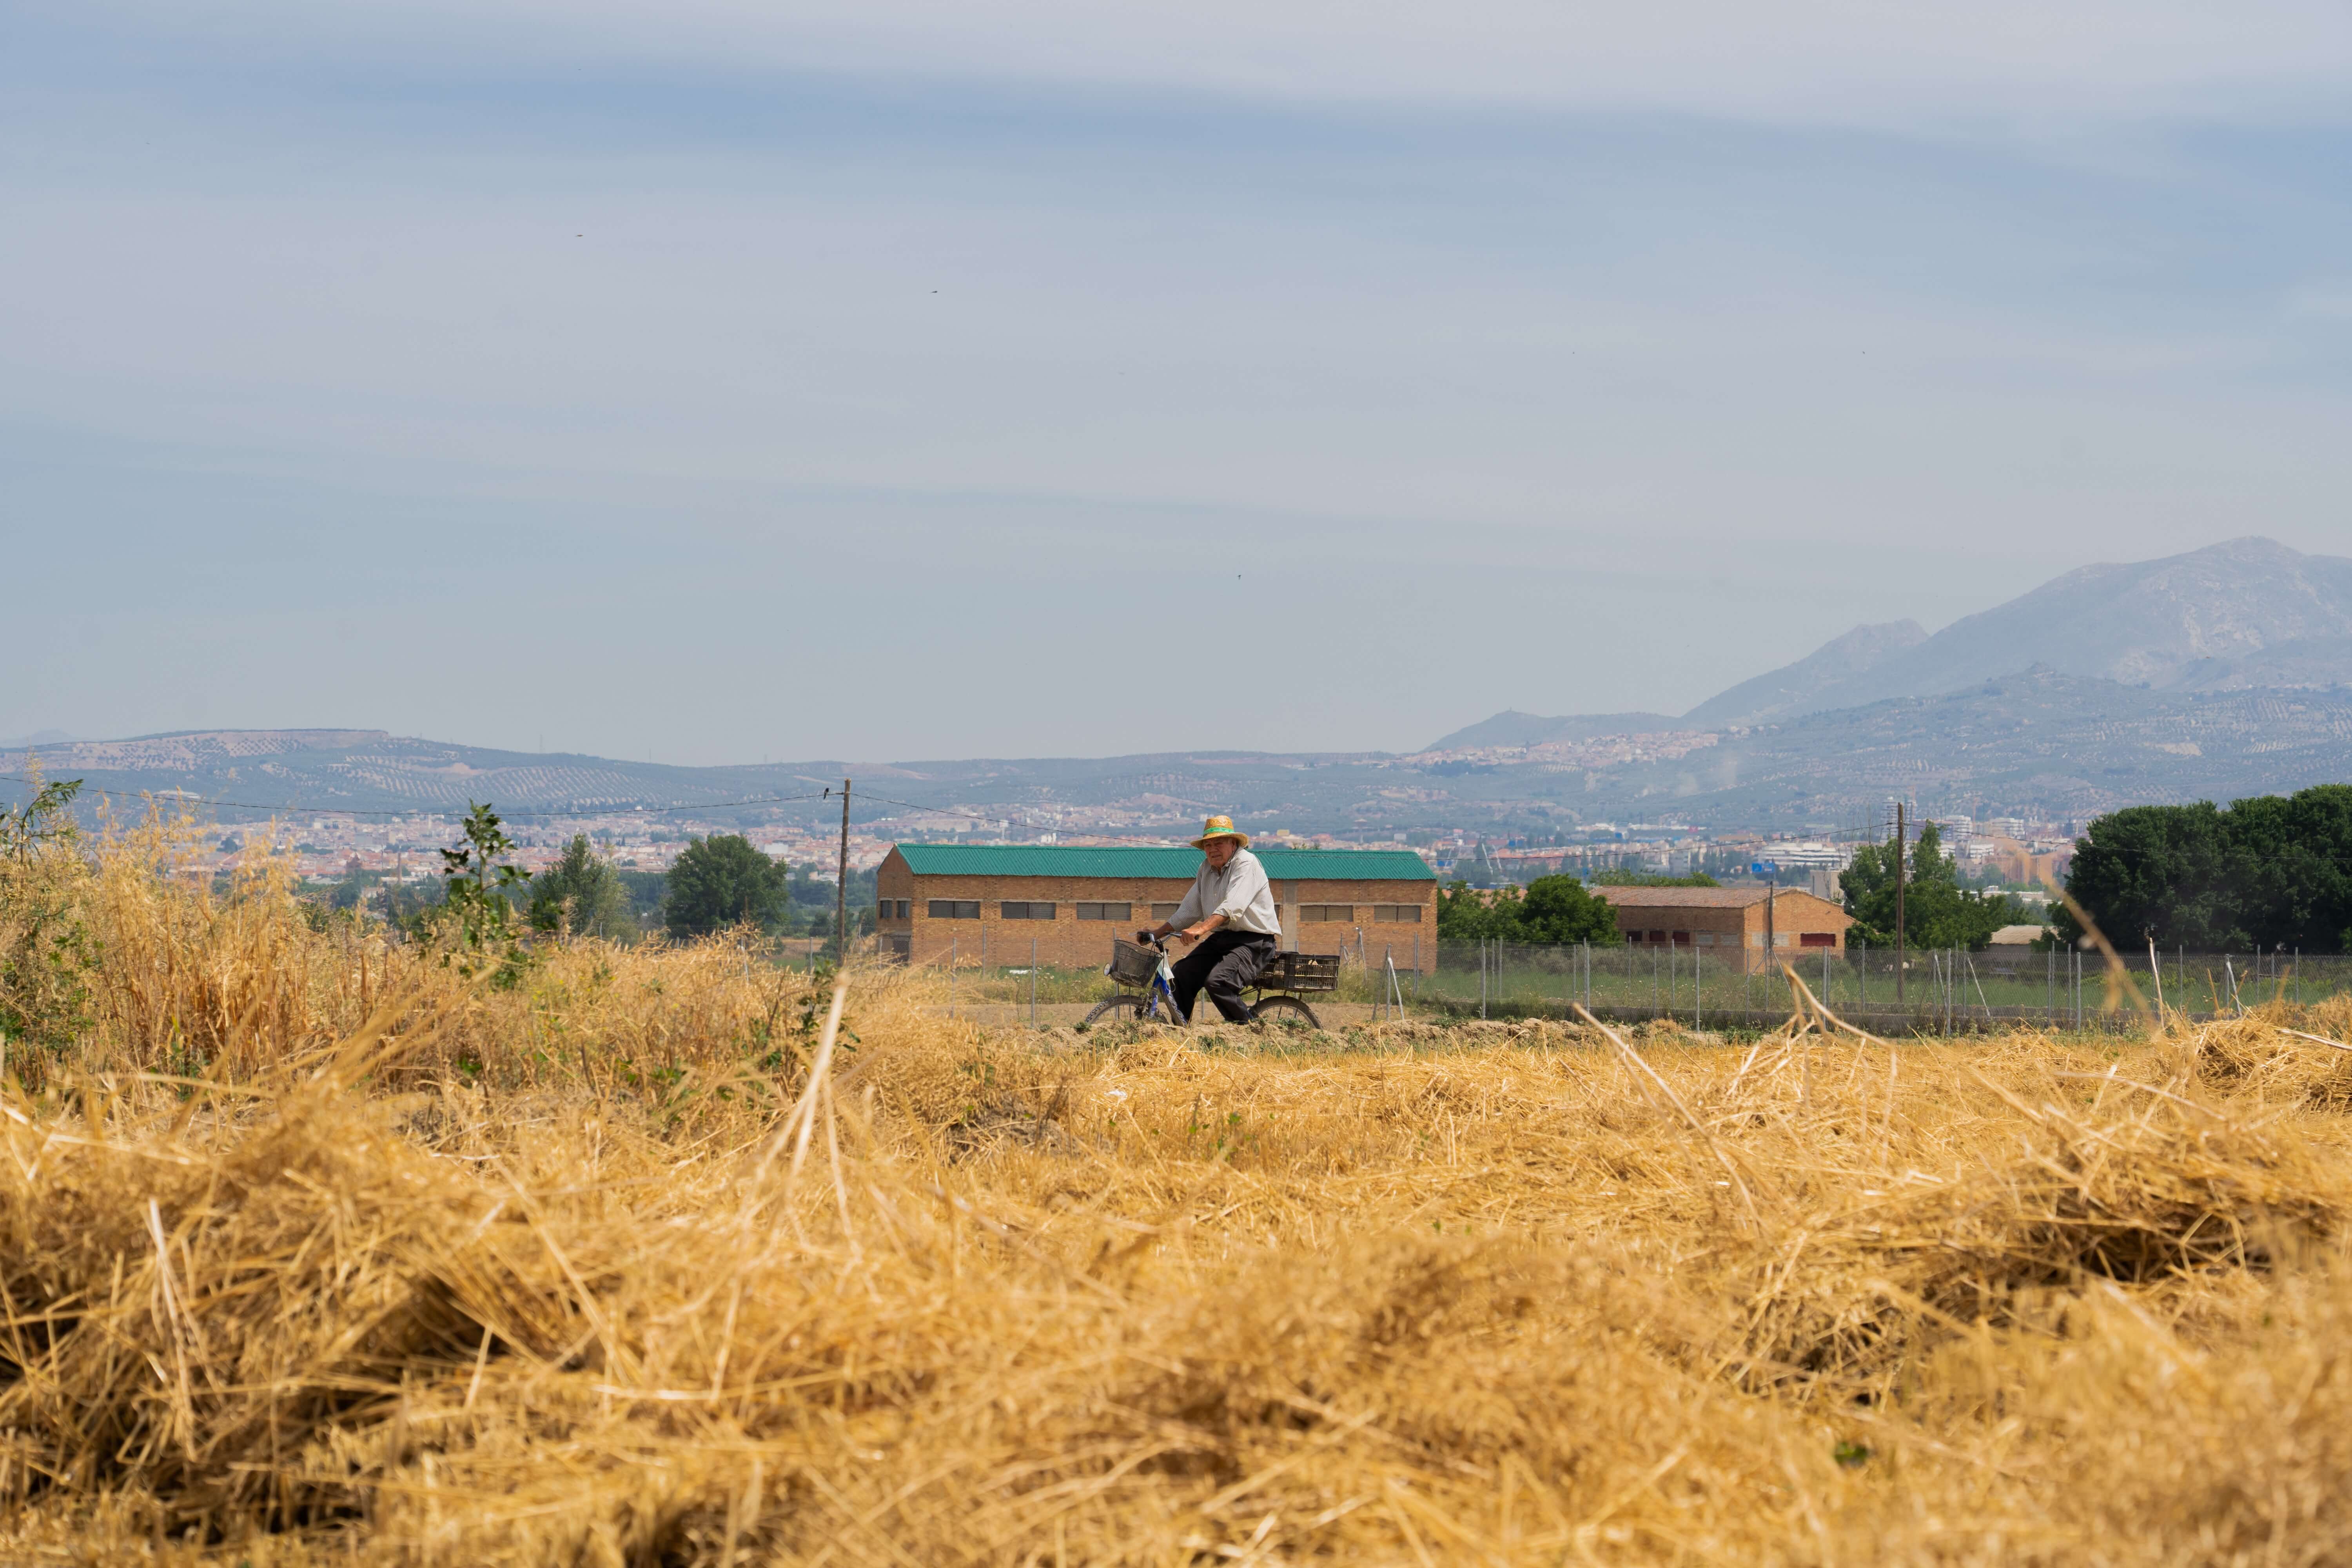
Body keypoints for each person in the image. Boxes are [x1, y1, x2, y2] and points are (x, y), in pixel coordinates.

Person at [1138, 815, 1282, 1024]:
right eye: (1208, 844)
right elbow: (1189, 910)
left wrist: (1201, 930)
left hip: (1254, 941)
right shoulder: (1206, 869)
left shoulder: (1246, 863)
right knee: (1180, 975)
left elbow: (1233, 905)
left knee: (1218, 983)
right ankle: (1181, 1034)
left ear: (1233, 844)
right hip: (1223, 938)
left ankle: (1248, 1032)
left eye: (1219, 843)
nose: (1213, 849)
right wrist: (1156, 933)